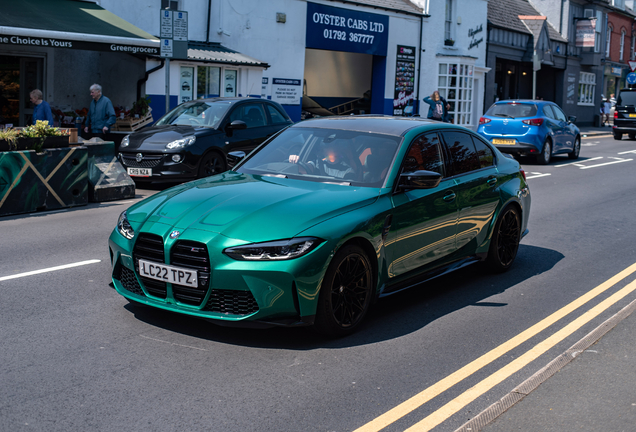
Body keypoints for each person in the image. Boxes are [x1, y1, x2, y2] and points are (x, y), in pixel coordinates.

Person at [289, 140, 356, 180]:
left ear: (339, 150)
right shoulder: (317, 163)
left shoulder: (347, 170)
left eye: (333, 147)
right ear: (323, 151)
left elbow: (346, 190)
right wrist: (294, 160)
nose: (331, 150)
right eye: (326, 147)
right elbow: (302, 169)